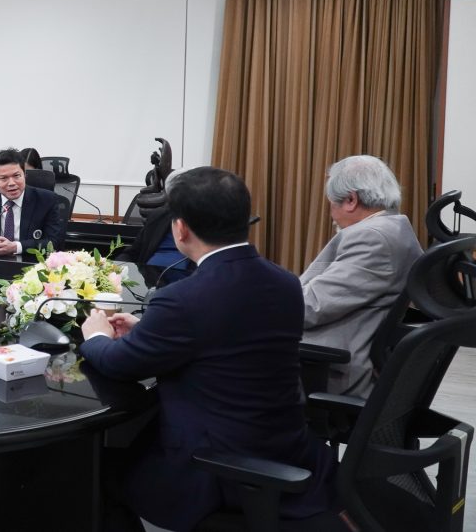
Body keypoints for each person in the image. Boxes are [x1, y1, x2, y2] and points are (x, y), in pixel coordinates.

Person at [79, 167, 335, 531]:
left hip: (214, 466)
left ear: (180, 229)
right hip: (285, 444)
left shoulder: (182, 298)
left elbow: (121, 364)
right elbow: (230, 337)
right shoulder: (285, 282)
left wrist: (96, 336)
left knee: (94, 473)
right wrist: (150, 329)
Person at [301, 154, 423, 397]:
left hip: (326, 369)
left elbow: (311, 307)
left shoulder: (372, 238)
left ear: (350, 200)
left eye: (331, 203)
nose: (331, 213)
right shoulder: (394, 227)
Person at [0, 148, 65, 256]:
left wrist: (16, 247)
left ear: (24, 175)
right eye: (3, 178)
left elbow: (54, 242)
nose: (12, 183)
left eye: (17, 176)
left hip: (29, 261)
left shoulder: (46, 200)